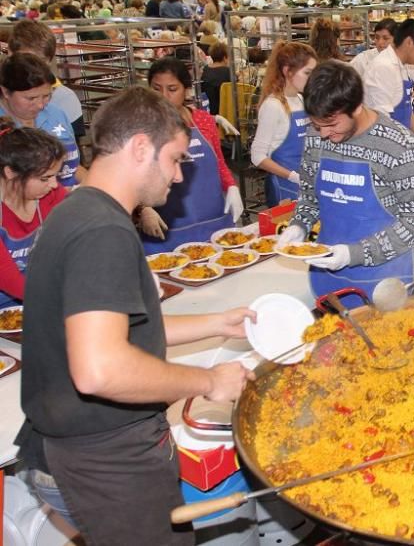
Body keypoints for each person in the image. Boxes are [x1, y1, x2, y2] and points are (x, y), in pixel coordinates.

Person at [16, 87, 255, 545]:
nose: (180, 176)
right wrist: (209, 383)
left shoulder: (76, 210)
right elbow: (101, 370)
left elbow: (116, 331)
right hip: (106, 458)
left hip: (74, 447)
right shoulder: (103, 231)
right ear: (140, 147)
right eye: (176, 159)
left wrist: (216, 323)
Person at [277, 62, 414, 306]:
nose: (324, 134)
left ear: (357, 107)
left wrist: (353, 254)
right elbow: (309, 197)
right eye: (317, 125)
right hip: (329, 279)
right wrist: (299, 225)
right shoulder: (317, 137)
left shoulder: (399, 146)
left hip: (385, 283)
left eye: (331, 124)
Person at [139, 58, 242, 252]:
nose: (163, 96)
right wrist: (143, 209)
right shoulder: (142, 128)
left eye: (172, 89)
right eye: (156, 89)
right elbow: (132, 178)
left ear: (185, 90)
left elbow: (219, 161)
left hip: (212, 219)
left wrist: (231, 187)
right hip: (167, 227)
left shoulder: (203, 121)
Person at [0, 121, 66, 309]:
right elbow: (5, 274)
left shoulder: (52, 194)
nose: (54, 184)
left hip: (38, 292)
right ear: (10, 173)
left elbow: (80, 234)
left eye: (56, 175)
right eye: (45, 178)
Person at [0, 53, 83, 188]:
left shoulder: (56, 114)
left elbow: (73, 167)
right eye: (31, 98)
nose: (40, 105)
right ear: (5, 92)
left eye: (46, 96)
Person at [251, 41, 317, 206]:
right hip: (285, 188)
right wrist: (292, 176)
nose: (312, 79)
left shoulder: (301, 100)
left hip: (306, 184)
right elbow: (257, 157)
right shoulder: (273, 106)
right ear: (288, 71)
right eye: (308, 73)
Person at [362, 18, 414, 157]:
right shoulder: (383, 67)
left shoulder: (399, 65)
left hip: (397, 144)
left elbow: (406, 109)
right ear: (409, 42)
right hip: (382, 150)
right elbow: (382, 120)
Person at [8, 19, 86, 142]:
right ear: (10, 53)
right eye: (26, 59)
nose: (34, 68)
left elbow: (74, 153)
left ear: (50, 61)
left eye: (41, 61)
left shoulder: (65, 98)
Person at [200, 42, 232, 117]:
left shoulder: (205, 70)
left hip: (207, 110)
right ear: (225, 58)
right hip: (223, 111)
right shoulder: (228, 72)